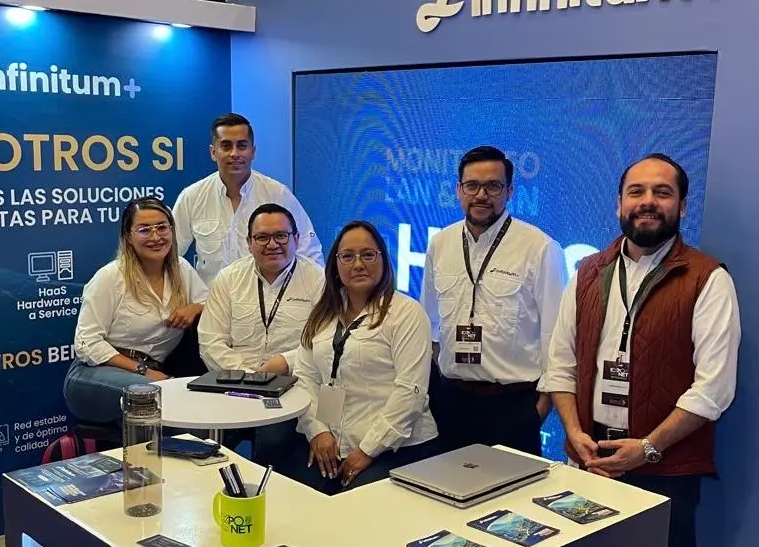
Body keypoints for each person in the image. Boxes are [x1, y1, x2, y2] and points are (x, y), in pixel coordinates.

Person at [543, 153, 740, 547]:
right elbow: (559, 365)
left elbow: (714, 389)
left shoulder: (707, 279)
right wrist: (574, 433)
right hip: (591, 460)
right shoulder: (589, 273)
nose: (647, 202)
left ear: (681, 204)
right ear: (619, 203)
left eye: (661, 192)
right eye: (636, 191)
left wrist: (648, 448)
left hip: (665, 466)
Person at [420, 145, 566, 456]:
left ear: (510, 191)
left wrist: (537, 412)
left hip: (512, 407)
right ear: (459, 190)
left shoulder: (540, 248)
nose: (481, 195)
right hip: (450, 404)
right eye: (472, 185)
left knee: (512, 490)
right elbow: (430, 326)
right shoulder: (440, 244)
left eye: (493, 186)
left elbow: (557, 340)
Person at [282, 220, 438, 493]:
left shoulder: (406, 313)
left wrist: (367, 450)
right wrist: (317, 431)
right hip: (331, 441)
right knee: (290, 489)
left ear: (383, 259)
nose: (358, 264)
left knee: (352, 502)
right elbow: (304, 378)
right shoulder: (322, 314)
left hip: (394, 447)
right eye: (347, 256)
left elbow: (409, 394)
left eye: (368, 255)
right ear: (335, 264)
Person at [198, 202, 325, 463]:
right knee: (199, 440)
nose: (272, 244)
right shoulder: (228, 279)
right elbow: (211, 341)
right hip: (232, 385)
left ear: (296, 239)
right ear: (249, 242)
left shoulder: (318, 281)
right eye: (262, 237)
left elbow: (322, 343)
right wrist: (249, 378)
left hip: (291, 387)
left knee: (273, 443)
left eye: (281, 236)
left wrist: (286, 362)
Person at [64, 198, 208, 424]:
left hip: (156, 371)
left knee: (196, 401)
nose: (156, 237)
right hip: (95, 372)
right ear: (128, 237)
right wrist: (143, 371)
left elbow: (213, 304)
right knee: (163, 397)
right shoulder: (111, 277)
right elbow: (87, 343)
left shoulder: (182, 269)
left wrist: (196, 307)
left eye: (162, 227)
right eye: (144, 230)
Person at [172, 113, 323, 285]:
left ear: (253, 151)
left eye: (242, 146)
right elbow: (169, 255)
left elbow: (310, 253)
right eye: (226, 146)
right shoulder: (192, 197)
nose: (234, 154)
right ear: (213, 152)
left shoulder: (278, 194)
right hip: (210, 299)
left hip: (269, 298)